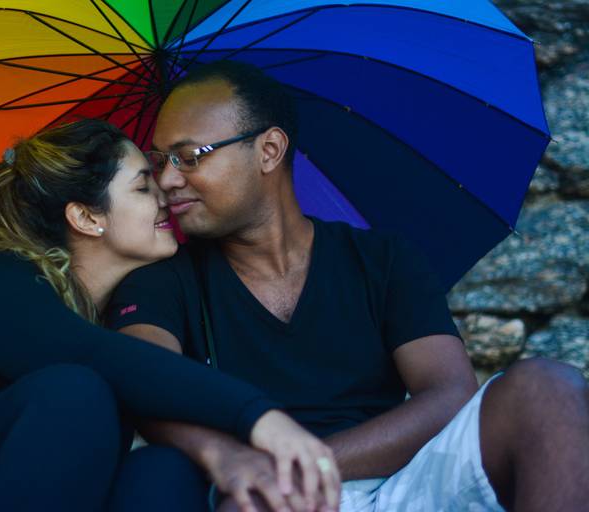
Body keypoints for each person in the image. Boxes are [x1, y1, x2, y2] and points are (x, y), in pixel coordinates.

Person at [106, 60, 589, 511]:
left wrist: (304, 466)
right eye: (160, 160)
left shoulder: (381, 259)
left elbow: (447, 392)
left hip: (406, 478)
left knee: (546, 388)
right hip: (267, 498)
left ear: (269, 151)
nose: (167, 180)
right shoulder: (158, 283)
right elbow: (148, 386)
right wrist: (235, 463)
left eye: (189, 157)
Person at [0, 119, 341, 512]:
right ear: (87, 218)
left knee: (164, 469)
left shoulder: (121, 305)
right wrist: (258, 416)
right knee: (74, 390)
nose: (165, 194)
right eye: (143, 186)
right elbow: (96, 356)